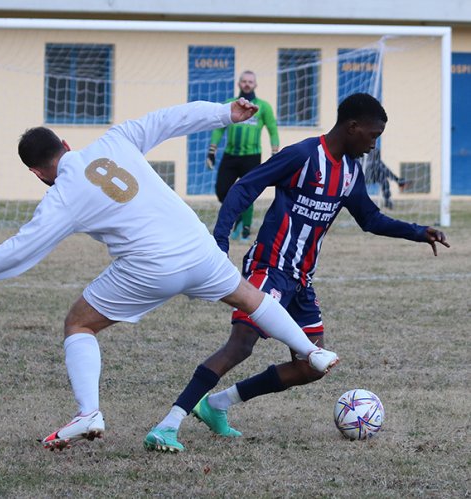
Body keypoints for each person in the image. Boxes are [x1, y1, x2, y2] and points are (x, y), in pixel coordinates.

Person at [0, 98, 339, 453]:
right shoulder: (116, 139)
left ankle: (89, 413)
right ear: (65, 145)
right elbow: (170, 118)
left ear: (37, 173)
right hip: (197, 247)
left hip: (151, 266)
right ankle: (311, 350)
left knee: (79, 324)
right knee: (249, 297)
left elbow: (20, 249)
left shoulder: (60, 196)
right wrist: (224, 113)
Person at [145, 93, 449, 452]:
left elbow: (370, 218)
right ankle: (169, 423)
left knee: (312, 366)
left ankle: (216, 405)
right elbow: (246, 186)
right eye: (372, 134)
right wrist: (220, 240)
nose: (373, 144)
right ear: (352, 127)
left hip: (301, 281)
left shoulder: (351, 172)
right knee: (241, 345)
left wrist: (417, 231)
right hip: (269, 269)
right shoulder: (303, 155)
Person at [206, 70, 279, 242]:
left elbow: (273, 129)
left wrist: (275, 152)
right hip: (230, 155)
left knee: (247, 192)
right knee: (221, 190)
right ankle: (238, 217)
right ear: (239, 84)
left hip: (251, 156)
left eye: (250, 81)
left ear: (255, 85)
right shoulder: (229, 104)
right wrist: (212, 150)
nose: (247, 84)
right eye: (244, 81)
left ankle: (246, 230)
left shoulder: (264, 107)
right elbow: (219, 127)